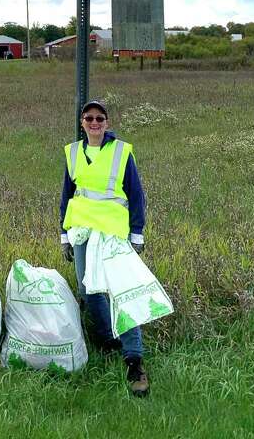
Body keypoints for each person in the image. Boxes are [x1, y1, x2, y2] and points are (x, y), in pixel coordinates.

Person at [60, 99, 149, 397]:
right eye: (89, 118)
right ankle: (108, 339)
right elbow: (67, 194)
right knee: (89, 290)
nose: (95, 123)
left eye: (100, 118)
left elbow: (136, 194)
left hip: (113, 231)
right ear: (82, 123)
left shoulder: (121, 151)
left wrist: (137, 232)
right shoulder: (73, 153)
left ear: (107, 123)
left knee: (121, 291)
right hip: (83, 230)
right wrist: (64, 233)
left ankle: (134, 360)